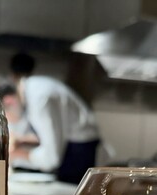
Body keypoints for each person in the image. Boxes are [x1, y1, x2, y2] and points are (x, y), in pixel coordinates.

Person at [8, 52, 101, 184]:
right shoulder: (33, 87)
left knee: (71, 192)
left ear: (9, 101)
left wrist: (16, 154)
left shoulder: (39, 98)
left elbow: (52, 158)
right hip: (76, 144)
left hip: (79, 149)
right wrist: (21, 141)